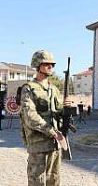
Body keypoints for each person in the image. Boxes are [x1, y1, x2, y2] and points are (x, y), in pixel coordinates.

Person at [19, 50, 71, 186]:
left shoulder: (54, 89)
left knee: (54, 180)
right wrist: (51, 131)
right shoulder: (28, 88)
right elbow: (30, 116)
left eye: (52, 65)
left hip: (55, 145)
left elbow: (58, 111)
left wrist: (66, 108)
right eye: (47, 64)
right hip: (38, 145)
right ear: (37, 65)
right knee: (38, 182)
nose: (51, 67)